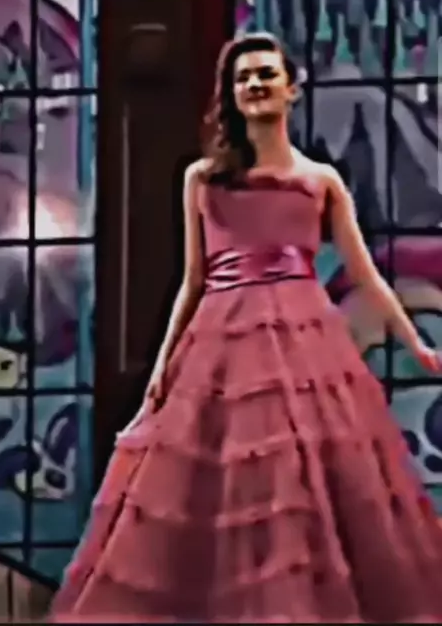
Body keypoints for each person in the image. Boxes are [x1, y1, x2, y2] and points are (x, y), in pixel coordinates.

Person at [51, 32, 442, 623]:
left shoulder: (321, 181)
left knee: (303, 484)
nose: (255, 84)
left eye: (265, 74)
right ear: (231, 95)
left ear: (292, 89)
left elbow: (368, 278)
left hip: (306, 343)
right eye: (243, 78)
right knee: (213, 488)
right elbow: (192, 281)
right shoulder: (203, 179)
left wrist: (419, 345)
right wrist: (161, 369)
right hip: (222, 341)